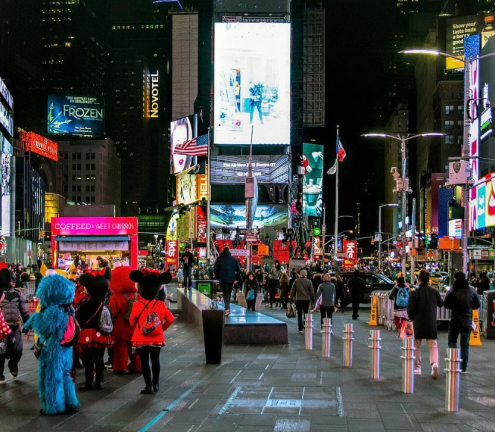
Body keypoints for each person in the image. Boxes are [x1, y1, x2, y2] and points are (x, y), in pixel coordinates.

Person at [23, 274, 80, 415]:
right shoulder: (68, 309)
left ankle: (54, 406)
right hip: (66, 349)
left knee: (51, 377)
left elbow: (44, 328)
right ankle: (71, 402)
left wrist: (35, 319)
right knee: (65, 375)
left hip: (54, 349)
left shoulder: (53, 310)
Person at [129, 270, 175, 394]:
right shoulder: (160, 305)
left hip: (141, 338)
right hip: (157, 338)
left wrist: (138, 326)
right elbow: (170, 318)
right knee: (155, 360)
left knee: (144, 361)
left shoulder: (137, 305)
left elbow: (131, 321)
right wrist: (162, 328)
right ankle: (156, 383)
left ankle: (148, 385)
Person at [75, 272, 113, 390]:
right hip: (100, 335)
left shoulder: (84, 306)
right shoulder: (105, 306)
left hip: (86, 335)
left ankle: (89, 382)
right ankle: (99, 381)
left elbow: (78, 320)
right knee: (99, 359)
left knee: (87, 360)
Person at [407, 269, 444, 379]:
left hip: (418, 322)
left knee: (416, 346)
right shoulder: (434, 292)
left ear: (418, 279)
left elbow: (410, 309)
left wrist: (411, 317)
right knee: (433, 345)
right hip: (431, 322)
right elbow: (441, 304)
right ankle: (434, 364)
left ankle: (417, 368)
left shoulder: (414, 293)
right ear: (428, 280)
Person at [108, 266, 143, 375]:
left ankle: (120, 367)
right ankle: (137, 366)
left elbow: (111, 312)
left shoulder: (116, 297)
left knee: (119, 348)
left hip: (120, 327)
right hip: (135, 327)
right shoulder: (138, 295)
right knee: (135, 349)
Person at [444, 271, 481, 374]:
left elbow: (446, 304)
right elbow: (477, 305)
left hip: (454, 320)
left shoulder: (452, 290)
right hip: (467, 321)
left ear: (455, 279)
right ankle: (463, 368)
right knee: (465, 344)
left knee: (452, 341)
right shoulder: (472, 290)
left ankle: (453, 363)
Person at [0, 267, 29, 382]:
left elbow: (24, 311)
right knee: (1, 351)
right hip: (2, 328)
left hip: (15, 326)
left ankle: (13, 365)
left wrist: (27, 324)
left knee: (18, 350)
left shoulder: (18, 294)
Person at [214, 247, 241, 316]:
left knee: (225, 294)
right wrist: (236, 278)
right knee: (228, 293)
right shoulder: (233, 259)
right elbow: (239, 271)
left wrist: (218, 277)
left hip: (222, 279)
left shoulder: (219, 258)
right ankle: (227, 307)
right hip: (231, 279)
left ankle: (227, 309)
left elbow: (215, 269)